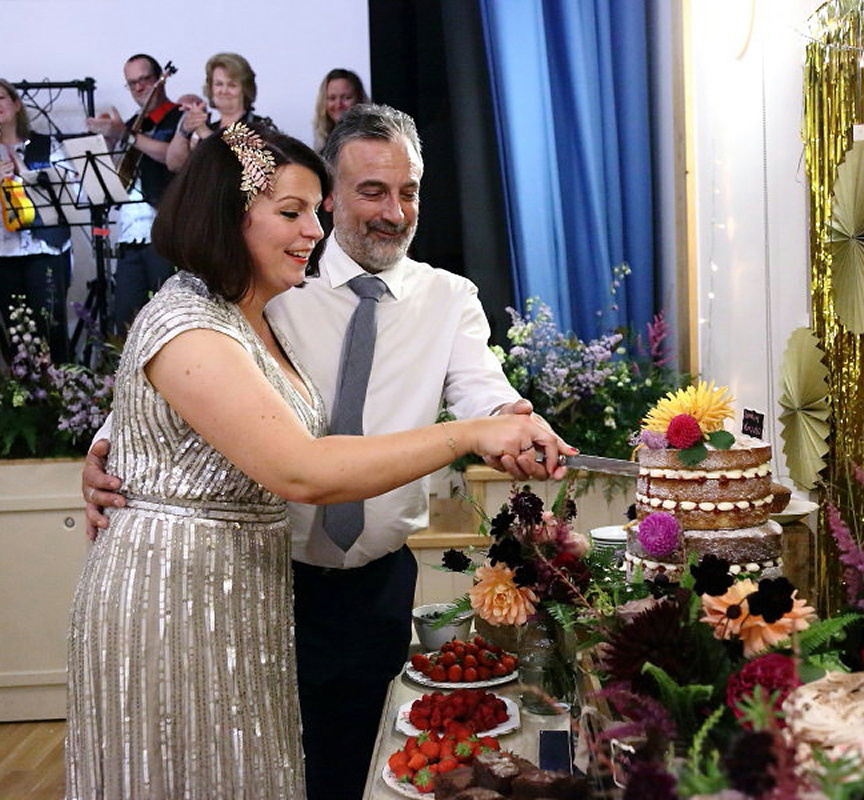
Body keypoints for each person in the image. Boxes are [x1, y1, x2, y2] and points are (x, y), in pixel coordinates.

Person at [66, 122, 571, 799]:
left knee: (345, 767)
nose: (393, 212)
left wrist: (517, 425)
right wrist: (106, 445)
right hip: (251, 579)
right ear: (333, 196)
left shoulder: (444, 298)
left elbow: (486, 393)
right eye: (370, 191)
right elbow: (193, 382)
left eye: (408, 192)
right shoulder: (274, 288)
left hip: (370, 583)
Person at [0, 78, 73, 364]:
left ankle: (65, 399)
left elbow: (71, 193)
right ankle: (29, 402)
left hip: (45, 247)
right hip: (0, 252)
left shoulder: (47, 145)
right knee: (19, 335)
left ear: (16, 104)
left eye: (0, 98)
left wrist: (27, 173)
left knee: (51, 328)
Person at [86, 54, 182, 335]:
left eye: (145, 80)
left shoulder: (179, 117)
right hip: (130, 235)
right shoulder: (131, 123)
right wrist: (107, 142)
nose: (139, 87)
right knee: (126, 324)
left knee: (169, 320)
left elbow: (173, 158)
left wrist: (127, 135)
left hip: (165, 232)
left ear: (159, 80)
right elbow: (119, 179)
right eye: (132, 83)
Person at [166, 52, 274, 172]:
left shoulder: (261, 126)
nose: (224, 91)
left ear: (245, 90)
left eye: (232, 85)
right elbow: (175, 166)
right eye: (218, 84)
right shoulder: (210, 128)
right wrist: (184, 129)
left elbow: (244, 167)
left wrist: (206, 134)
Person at [312, 68, 368, 151]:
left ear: (359, 99)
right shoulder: (323, 144)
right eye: (332, 98)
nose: (338, 105)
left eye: (346, 98)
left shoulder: (370, 140)